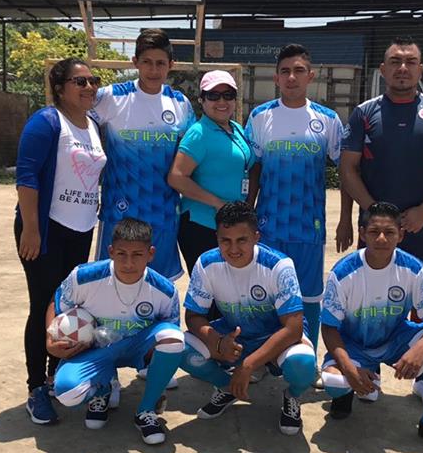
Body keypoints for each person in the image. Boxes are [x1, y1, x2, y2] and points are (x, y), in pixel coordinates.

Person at [319, 202, 423, 453]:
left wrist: (420, 349)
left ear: (401, 235)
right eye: (374, 232)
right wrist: (349, 369)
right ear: (362, 234)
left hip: (395, 338)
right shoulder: (343, 273)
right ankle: (346, 393)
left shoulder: (413, 269)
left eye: (389, 232)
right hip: (354, 345)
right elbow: (329, 328)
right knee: (334, 382)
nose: (382, 239)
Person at [15, 58, 106, 425]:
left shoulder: (94, 125)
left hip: (80, 231)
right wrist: (31, 229)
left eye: (93, 80)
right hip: (47, 231)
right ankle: (36, 387)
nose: (89, 87)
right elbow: (27, 178)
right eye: (79, 82)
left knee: (68, 307)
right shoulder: (47, 122)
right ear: (59, 88)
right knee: (43, 307)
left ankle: (56, 374)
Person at [178, 202, 317, 435]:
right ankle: (227, 387)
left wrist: (248, 365)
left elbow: (293, 329)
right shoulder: (206, 263)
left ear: (256, 237)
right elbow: (193, 316)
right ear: (216, 237)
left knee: (303, 365)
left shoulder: (279, 266)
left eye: (241, 240)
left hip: (276, 337)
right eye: (225, 240)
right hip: (236, 336)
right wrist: (218, 342)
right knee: (177, 346)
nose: (233, 249)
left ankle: (292, 396)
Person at [339, 36, 423, 294]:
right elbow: (348, 168)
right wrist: (375, 212)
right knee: (372, 298)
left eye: (411, 62)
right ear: (383, 69)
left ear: (420, 69)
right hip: (376, 230)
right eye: (395, 62)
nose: (403, 68)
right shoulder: (364, 113)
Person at [48, 218, 185, 445]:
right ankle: (102, 389)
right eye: (122, 254)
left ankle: (146, 410)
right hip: (94, 349)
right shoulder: (84, 277)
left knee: (174, 338)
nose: (129, 263)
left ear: (151, 254)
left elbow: (169, 329)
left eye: (137, 254)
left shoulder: (164, 290)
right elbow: (56, 304)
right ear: (110, 251)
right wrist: (50, 339)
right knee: (66, 393)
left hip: (136, 346)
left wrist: (156, 371)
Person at [245, 44, 344, 348]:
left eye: (299, 71)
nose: (292, 77)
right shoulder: (260, 117)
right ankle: (265, 358)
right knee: (266, 295)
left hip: (308, 228)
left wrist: (346, 220)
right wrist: (247, 216)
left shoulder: (328, 119)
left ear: (310, 76)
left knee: (309, 297)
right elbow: (253, 170)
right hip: (269, 227)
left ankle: (307, 357)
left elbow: (347, 171)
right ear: (276, 77)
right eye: (285, 71)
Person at [91, 28, 195, 280]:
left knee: (159, 286)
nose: (153, 70)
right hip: (119, 213)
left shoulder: (180, 103)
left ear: (171, 65)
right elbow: (77, 125)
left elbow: (192, 154)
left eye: (160, 63)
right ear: (135, 62)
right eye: (147, 62)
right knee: (111, 283)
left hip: (163, 213)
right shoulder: (111, 97)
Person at [168, 70, 254, 275]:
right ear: (202, 100)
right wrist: (218, 204)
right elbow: (176, 177)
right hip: (202, 224)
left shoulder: (236, 128)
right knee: (209, 289)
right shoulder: (199, 133)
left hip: (230, 225)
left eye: (228, 95)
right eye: (213, 96)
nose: (221, 101)